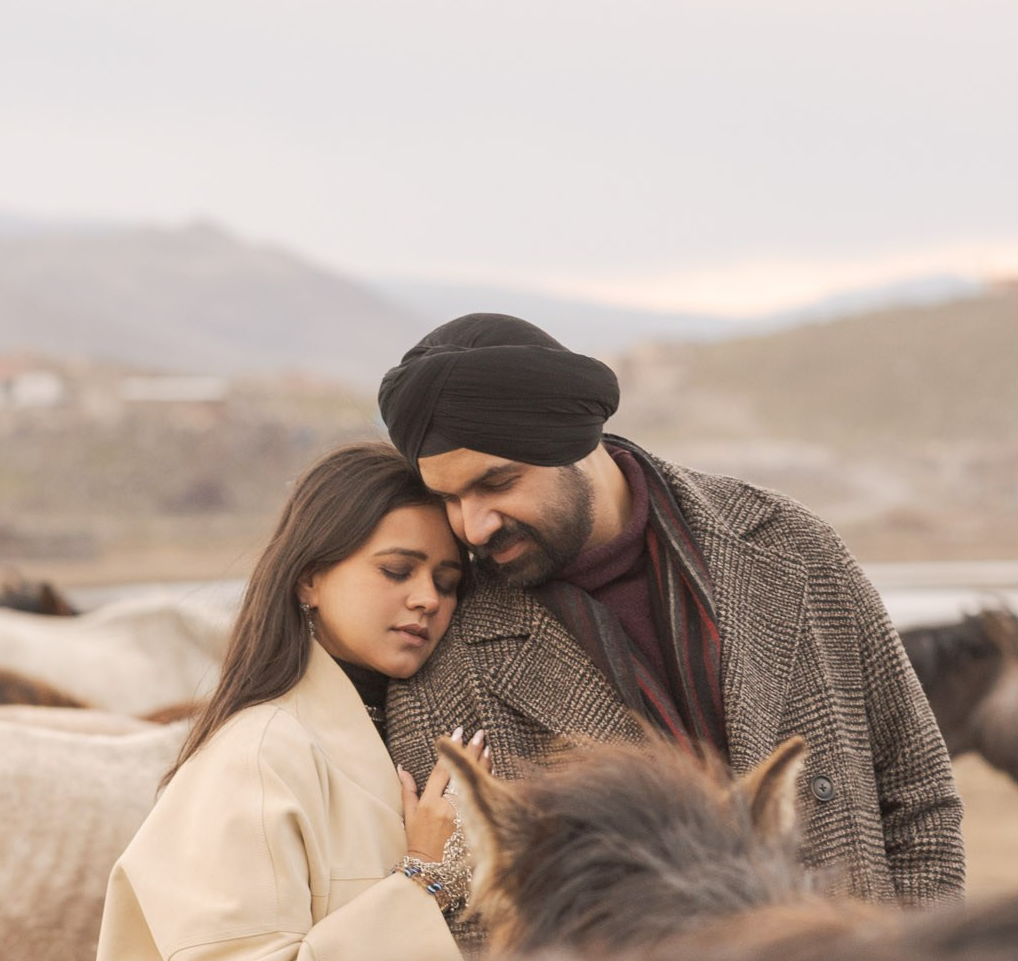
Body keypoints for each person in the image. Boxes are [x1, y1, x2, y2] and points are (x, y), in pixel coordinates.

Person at [376, 312, 963, 906]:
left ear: (574, 443)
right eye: (448, 498)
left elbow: (919, 796)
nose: (473, 527)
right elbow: (474, 928)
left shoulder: (790, 544)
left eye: (497, 484)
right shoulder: (448, 650)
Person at [76, 444, 485, 961]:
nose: (426, 599)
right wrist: (422, 876)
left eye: (446, 581)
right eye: (396, 569)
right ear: (308, 579)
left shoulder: (361, 734)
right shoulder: (258, 754)